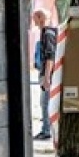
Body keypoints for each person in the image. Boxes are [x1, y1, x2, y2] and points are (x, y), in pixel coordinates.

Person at [31, 10, 58, 141]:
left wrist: (47, 77)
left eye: (34, 17)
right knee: (44, 102)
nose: (33, 20)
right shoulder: (47, 32)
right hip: (46, 73)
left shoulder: (47, 33)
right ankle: (47, 128)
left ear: (40, 17)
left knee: (45, 102)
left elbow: (50, 57)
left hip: (48, 75)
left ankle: (46, 130)